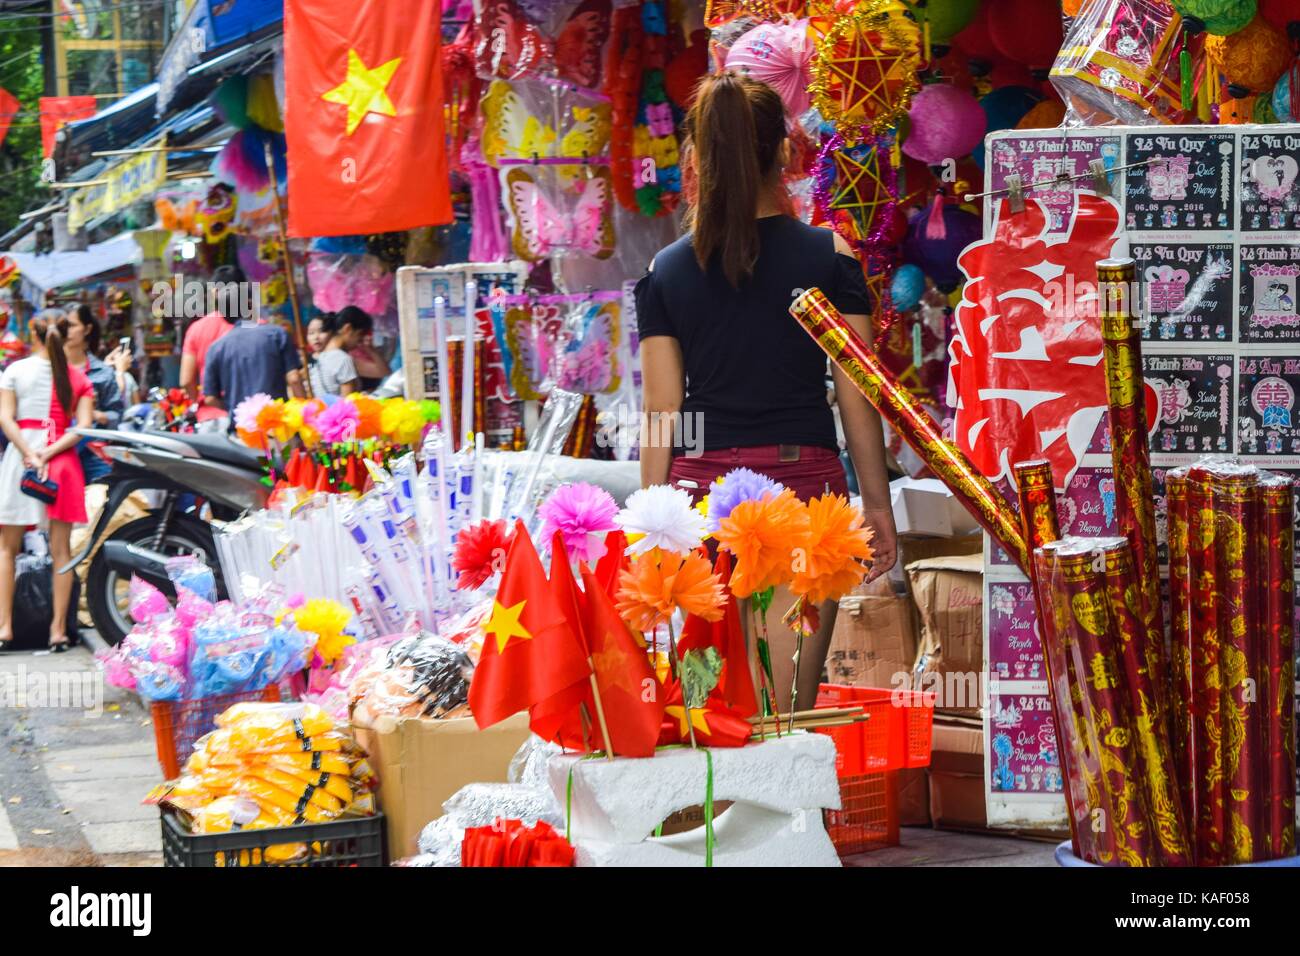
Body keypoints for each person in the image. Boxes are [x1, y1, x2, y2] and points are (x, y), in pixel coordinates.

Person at [634, 72, 898, 712]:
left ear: (697, 157)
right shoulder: (827, 255)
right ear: (784, 151)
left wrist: (650, 526)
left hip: (701, 504)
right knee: (786, 718)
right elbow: (858, 392)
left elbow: (662, 414)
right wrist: (878, 508)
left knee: (712, 715)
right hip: (806, 494)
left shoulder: (666, 271)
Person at [0, 310, 95, 651]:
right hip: (62, 463)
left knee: (7, 549)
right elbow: (81, 428)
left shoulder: (15, 371)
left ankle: (5, 628)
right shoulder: (78, 377)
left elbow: (5, 418)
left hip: (21, 460)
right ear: (68, 333)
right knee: (61, 552)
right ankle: (57, 631)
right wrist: (48, 452)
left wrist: (30, 451)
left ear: (32, 332)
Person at [64, 304, 127, 481]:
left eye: (72, 325)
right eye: (63, 326)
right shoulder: (50, 369)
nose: (66, 331)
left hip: (93, 452)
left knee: (100, 504)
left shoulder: (103, 372)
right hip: (56, 449)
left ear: (87, 329)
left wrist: (97, 415)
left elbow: (117, 415)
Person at [203, 316, 305, 421]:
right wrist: (303, 414)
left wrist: (237, 409)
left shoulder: (216, 348)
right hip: (278, 423)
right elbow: (294, 379)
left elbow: (210, 399)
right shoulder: (276, 334)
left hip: (242, 427)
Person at [180, 264, 242, 424]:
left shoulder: (196, 329)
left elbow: (186, 381)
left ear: (214, 293)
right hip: (249, 417)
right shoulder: (259, 328)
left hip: (210, 418)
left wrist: (196, 403)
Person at [306, 307, 370, 397]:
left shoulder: (318, 358)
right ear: (348, 329)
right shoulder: (343, 359)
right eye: (359, 335)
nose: (359, 342)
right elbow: (346, 404)